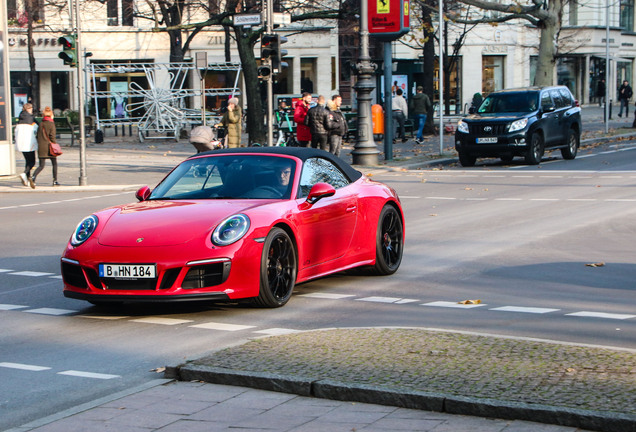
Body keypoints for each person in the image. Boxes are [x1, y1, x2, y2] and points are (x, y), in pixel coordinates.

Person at [32, 106, 60, 187]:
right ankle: (55, 181)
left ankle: (33, 177)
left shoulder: (41, 124)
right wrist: (55, 145)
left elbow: (37, 135)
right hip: (50, 147)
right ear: (51, 115)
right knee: (54, 163)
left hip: (41, 147)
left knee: (41, 165)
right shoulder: (51, 124)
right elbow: (52, 136)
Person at [14, 103, 38, 188]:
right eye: (31, 108)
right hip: (29, 143)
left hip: (21, 144)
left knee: (27, 161)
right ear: (28, 109)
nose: (32, 109)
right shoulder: (31, 119)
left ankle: (27, 179)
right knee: (32, 161)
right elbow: (37, 129)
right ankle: (24, 174)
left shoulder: (20, 118)